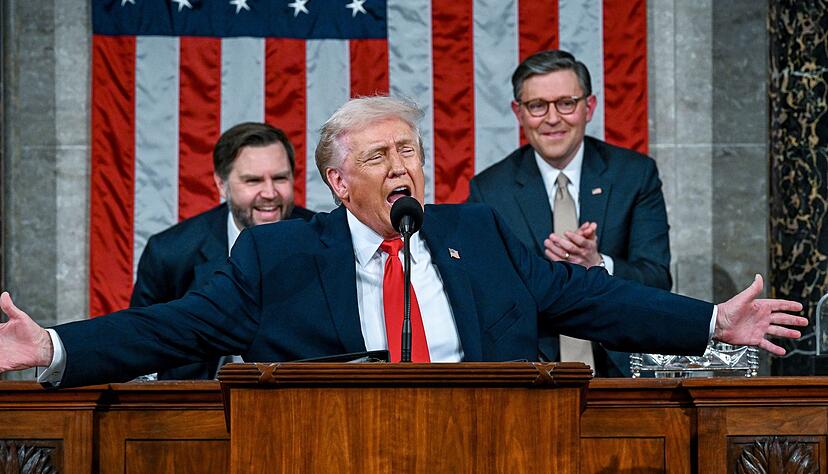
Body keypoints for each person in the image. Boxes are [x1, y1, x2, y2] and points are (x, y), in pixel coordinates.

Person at [0, 96, 806, 389]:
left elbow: (590, 298)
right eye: (379, 157)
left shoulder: (476, 233)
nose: (401, 168)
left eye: (410, 152)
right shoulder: (280, 256)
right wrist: (54, 346)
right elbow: (169, 327)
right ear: (337, 182)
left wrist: (708, 322)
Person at [468, 50, 669, 376]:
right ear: (518, 113)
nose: (552, 118)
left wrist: (597, 265)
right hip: (532, 371)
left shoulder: (634, 175)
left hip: (621, 370)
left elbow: (658, 279)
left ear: (589, 107)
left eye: (566, 103)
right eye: (537, 106)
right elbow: (484, 296)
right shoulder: (489, 190)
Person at [130, 122, 314, 380]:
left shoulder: (324, 241)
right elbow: (141, 345)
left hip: (299, 402)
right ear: (221, 184)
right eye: (253, 180)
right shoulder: (170, 252)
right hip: (198, 405)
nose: (270, 193)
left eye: (280, 178)